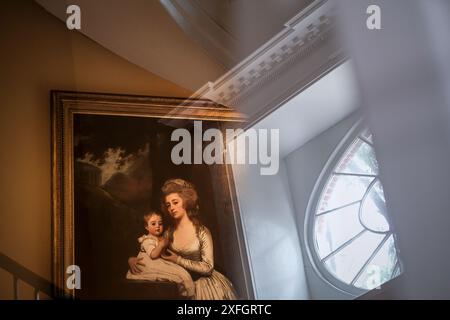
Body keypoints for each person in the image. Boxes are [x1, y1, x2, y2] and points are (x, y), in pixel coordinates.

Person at [159, 179, 237, 300]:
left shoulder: (202, 231)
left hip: (207, 287)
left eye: (175, 202)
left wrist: (178, 260)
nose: (172, 208)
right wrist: (132, 260)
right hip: (182, 286)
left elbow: (208, 268)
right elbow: (155, 253)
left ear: (185, 202)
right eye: (168, 205)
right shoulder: (168, 233)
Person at [126, 211, 195, 298]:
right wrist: (161, 244)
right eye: (153, 224)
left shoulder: (162, 237)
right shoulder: (147, 240)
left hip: (159, 261)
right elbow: (153, 255)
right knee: (177, 275)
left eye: (160, 223)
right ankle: (185, 294)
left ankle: (187, 294)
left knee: (181, 272)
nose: (157, 226)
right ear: (147, 227)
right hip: (149, 263)